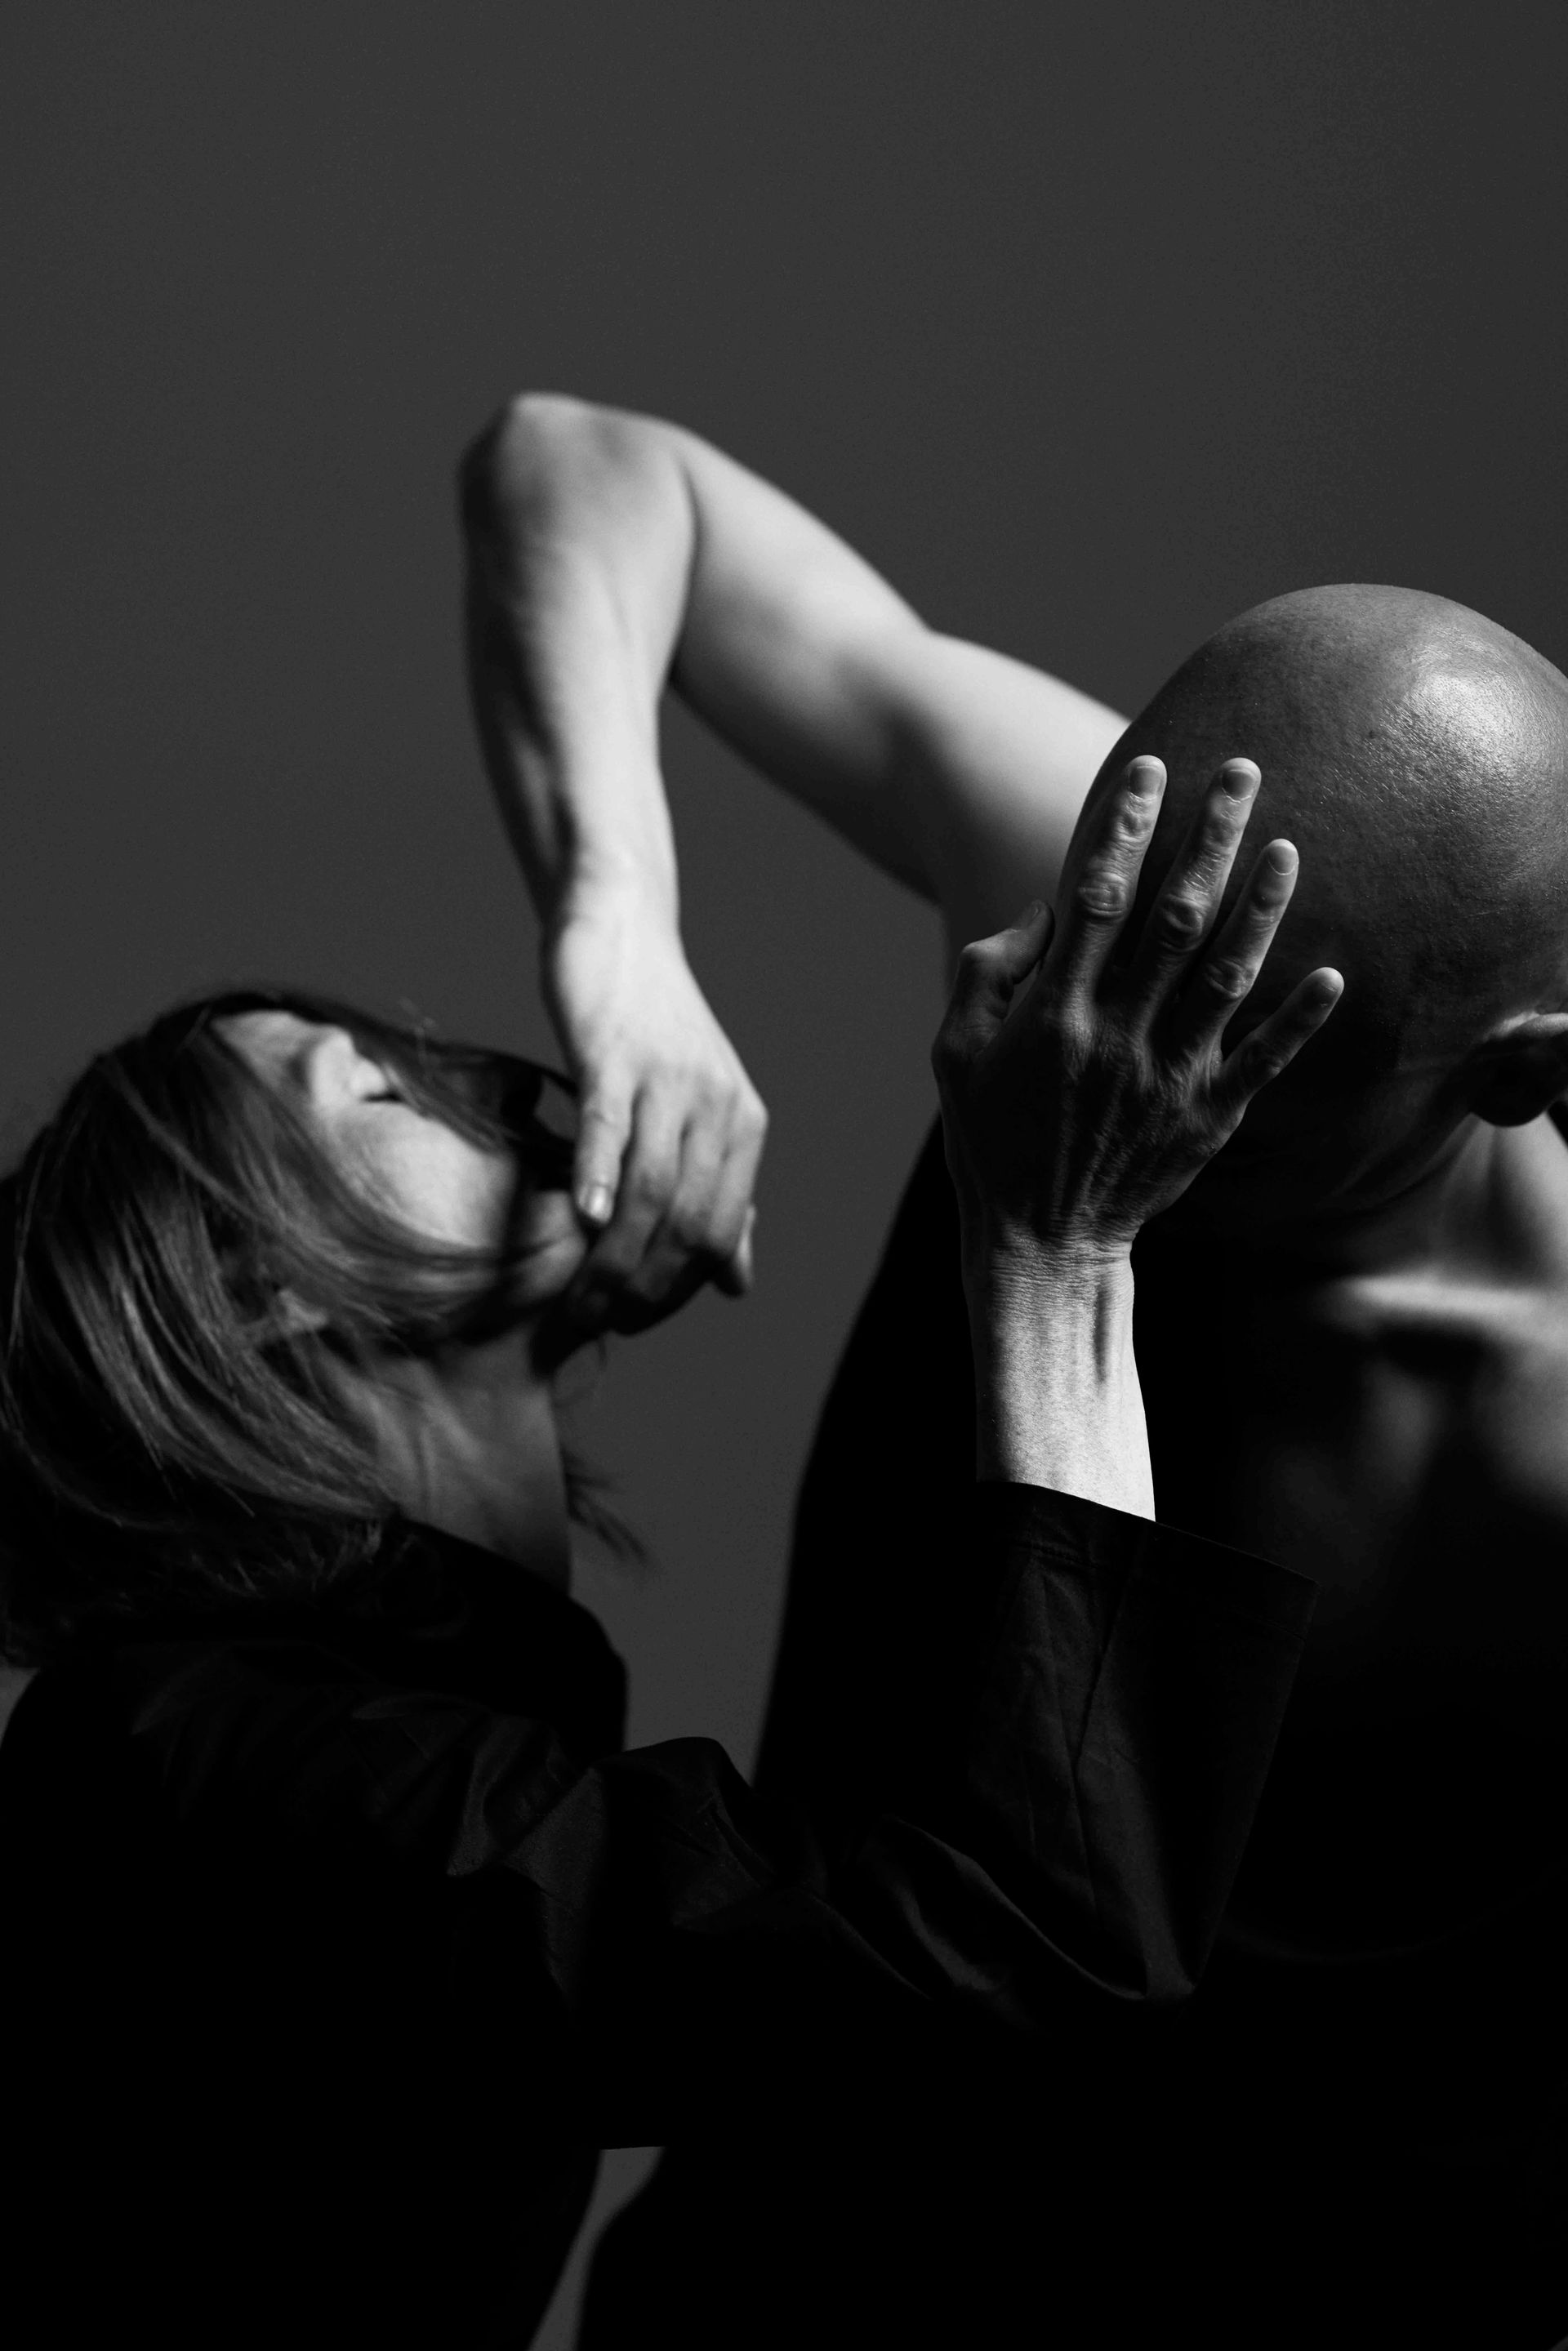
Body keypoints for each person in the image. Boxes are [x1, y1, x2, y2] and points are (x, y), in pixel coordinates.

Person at [0, 655, 1335, 2340]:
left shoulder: (325, 1741)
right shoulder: (206, 1769)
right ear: (263, 1288)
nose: (502, 1084)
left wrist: (623, 932)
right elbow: (1019, 1970)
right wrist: (1057, 1249)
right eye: (387, 1090)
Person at [461, 396, 1568, 2344]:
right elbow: (584, 467)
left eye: (1242, 1048)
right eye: (1089, 934)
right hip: (801, 2253)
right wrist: (622, 931)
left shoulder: (1537, 1442)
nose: (1098, 1035)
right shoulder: (1132, 914)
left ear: (1516, 1079)